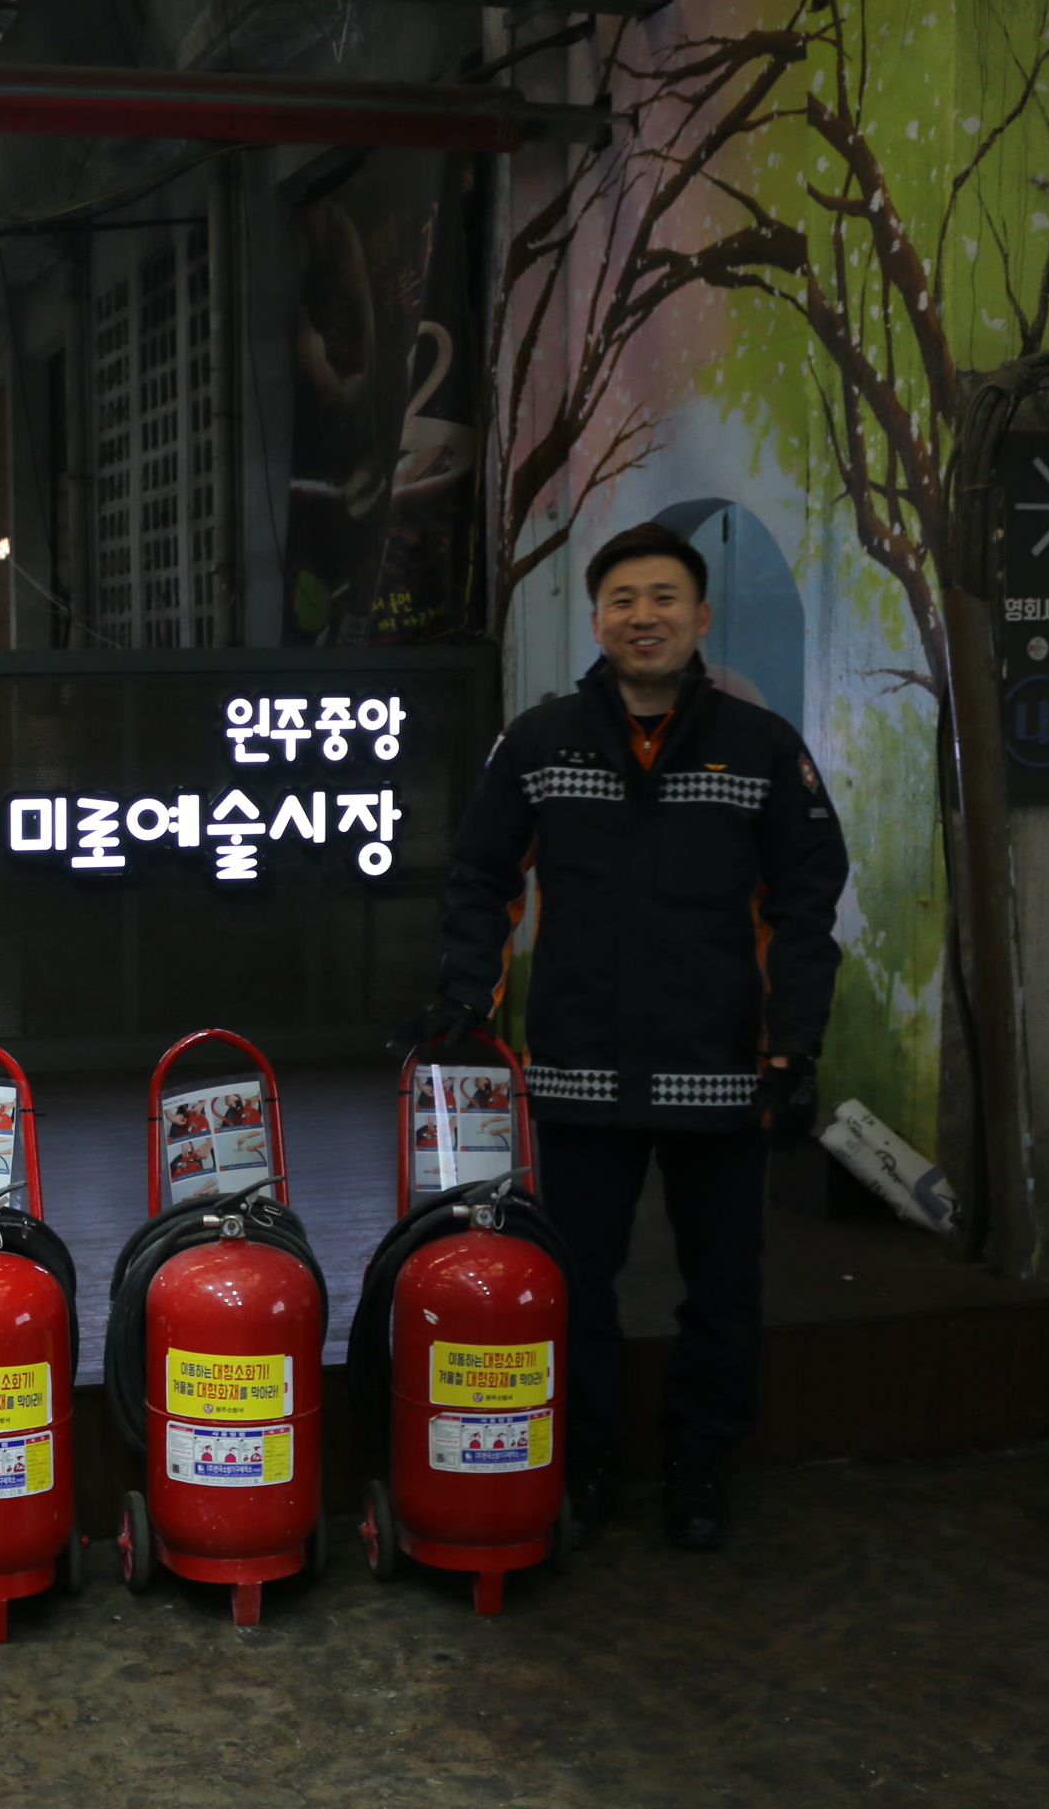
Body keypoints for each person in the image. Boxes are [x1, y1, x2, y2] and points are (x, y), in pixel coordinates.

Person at [392, 522, 847, 1551]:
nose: (646, 617)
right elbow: (483, 879)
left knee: (723, 1287)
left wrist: (793, 1046)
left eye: (665, 598)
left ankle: (700, 1463)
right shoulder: (539, 741)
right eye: (624, 600)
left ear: (701, 616)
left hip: (720, 1072)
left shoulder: (761, 747)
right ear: (597, 621)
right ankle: (585, 1454)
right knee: (573, 1281)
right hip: (578, 1073)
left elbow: (804, 903)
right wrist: (466, 996)